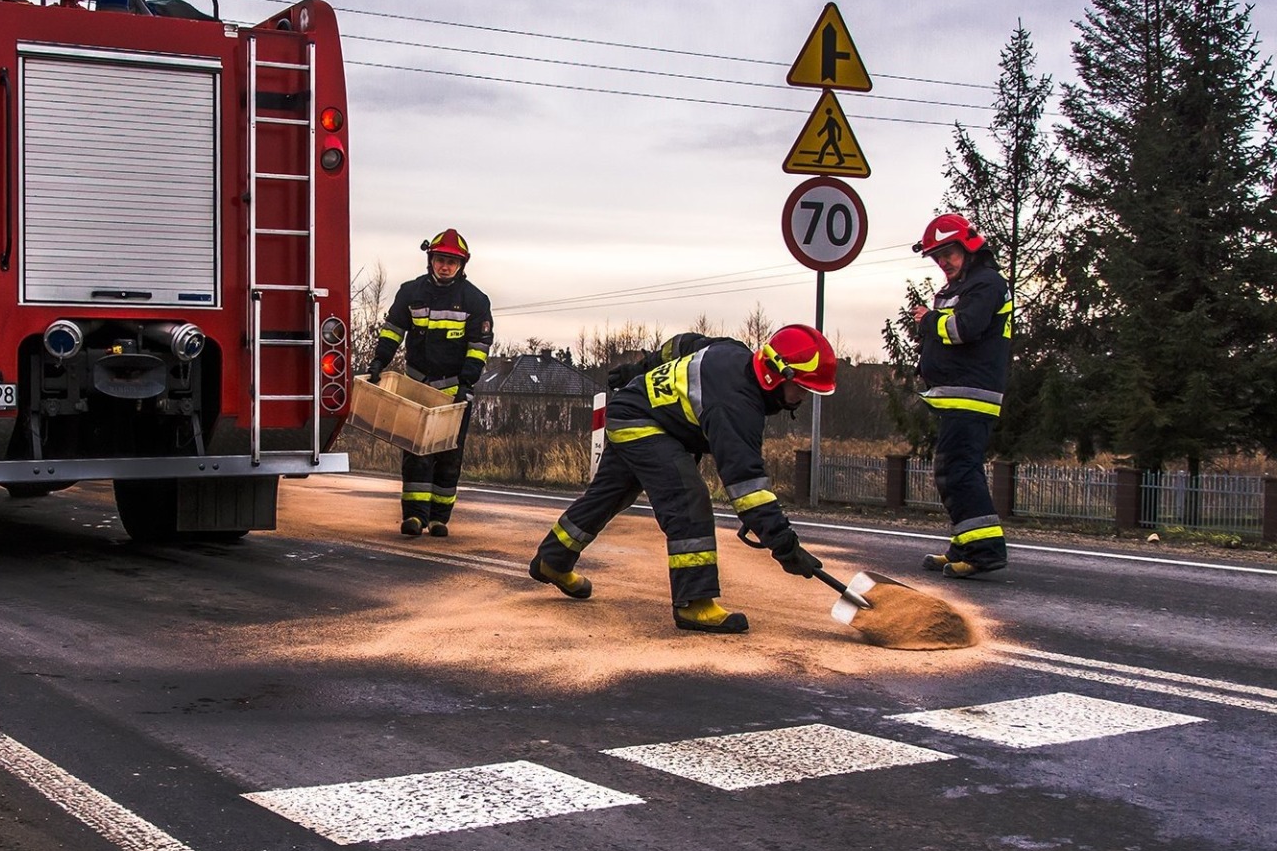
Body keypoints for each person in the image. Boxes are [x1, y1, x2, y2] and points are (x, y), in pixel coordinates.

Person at [527, 326, 836, 633]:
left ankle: (554, 560)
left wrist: (639, 369)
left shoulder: (731, 350)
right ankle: (694, 602)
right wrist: (785, 546)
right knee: (687, 500)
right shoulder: (735, 405)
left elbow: (681, 344)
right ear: (776, 374)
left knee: (609, 495)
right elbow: (747, 488)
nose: (804, 396)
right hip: (641, 420)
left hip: (631, 409)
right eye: (802, 387)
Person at [366, 229, 494, 537]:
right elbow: (393, 331)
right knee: (415, 453)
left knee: (449, 457)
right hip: (417, 386)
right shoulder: (410, 293)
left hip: (454, 392)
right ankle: (414, 516)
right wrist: (379, 362)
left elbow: (479, 346)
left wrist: (466, 384)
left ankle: (439, 519)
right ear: (430, 260)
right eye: (440, 260)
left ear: (461, 265)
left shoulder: (475, 300)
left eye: (451, 262)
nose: (445, 267)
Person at [910, 213, 1012, 578]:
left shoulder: (987, 284)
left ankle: (985, 551)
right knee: (953, 471)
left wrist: (927, 321)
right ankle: (965, 544)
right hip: (958, 394)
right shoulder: (965, 286)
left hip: (972, 394)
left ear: (968, 248)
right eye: (937, 257)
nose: (943, 263)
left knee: (959, 470)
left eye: (948, 253)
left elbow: (964, 328)